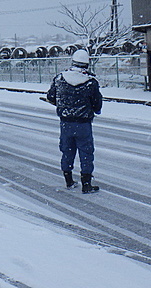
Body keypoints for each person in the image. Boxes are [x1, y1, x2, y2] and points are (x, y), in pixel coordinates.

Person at [46, 49, 102, 193]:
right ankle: (86, 184)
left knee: (67, 151)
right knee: (86, 153)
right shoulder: (91, 82)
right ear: (86, 65)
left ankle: (69, 180)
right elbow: (97, 104)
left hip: (66, 123)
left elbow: (51, 97)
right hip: (83, 124)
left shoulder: (59, 79)